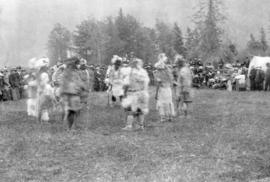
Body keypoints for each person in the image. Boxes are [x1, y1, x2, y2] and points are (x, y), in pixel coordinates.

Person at [122, 58, 150, 130]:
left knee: (130, 111)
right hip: (142, 93)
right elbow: (146, 84)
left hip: (132, 93)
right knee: (140, 111)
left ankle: (129, 126)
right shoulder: (143, 73)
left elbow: (126, 84)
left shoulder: (130, 73)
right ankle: (141, 126)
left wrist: (124, 93)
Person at [60, 57, 86, 130]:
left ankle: (71, 126)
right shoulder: (70, 73)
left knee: (74, 111)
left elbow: (79, 83)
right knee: (72, 111)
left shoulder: (71, 72)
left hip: (72, 94)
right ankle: (70, 127)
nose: (79, 65)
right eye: (77, 64)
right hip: (71, 94)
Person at [153, 53, 175, 123]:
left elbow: (158, 84)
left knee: (161, 103)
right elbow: (171, 81)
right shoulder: (168, 72)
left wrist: (156, 93)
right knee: (169, 102)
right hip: (168, 89)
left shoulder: (158, 73)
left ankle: (163, 118)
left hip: (162, 89)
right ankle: (170, 116)